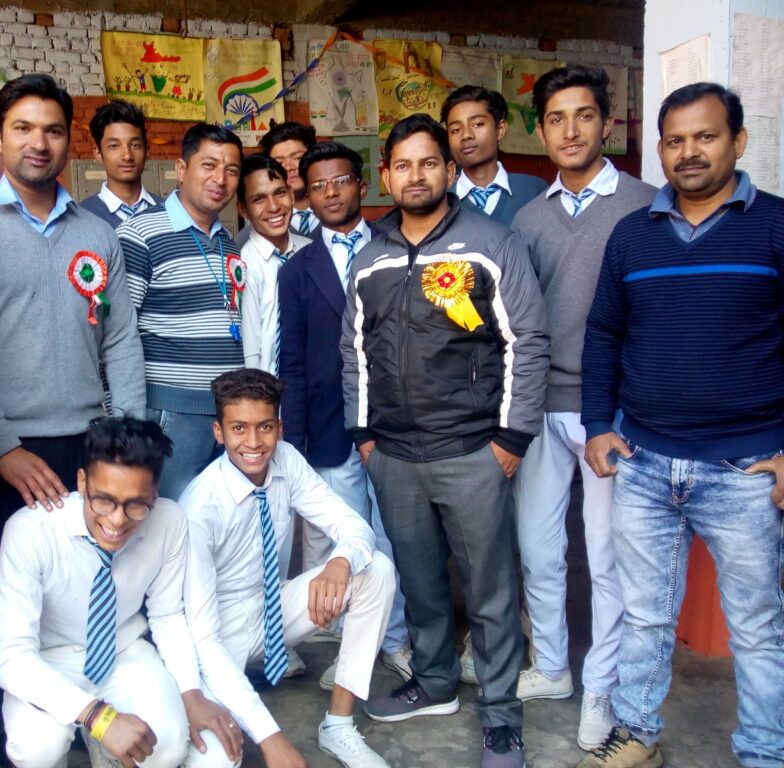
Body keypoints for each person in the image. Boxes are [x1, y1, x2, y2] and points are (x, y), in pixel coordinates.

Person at [0, 73, 146, 767]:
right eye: (22, 127)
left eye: (52, 129)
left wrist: (130, 443)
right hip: (0, 455)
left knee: (84, 591)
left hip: (87, 445)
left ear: (68, 142)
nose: (38, 142)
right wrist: (3, 447)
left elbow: (121, 340)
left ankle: (80, 723)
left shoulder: (97, 234)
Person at [578, 83, 784, 768]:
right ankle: (637, 733)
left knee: (756, 627)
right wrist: (597, 425)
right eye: (675, 141)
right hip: (643, 462)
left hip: (745, 469)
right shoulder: (633, 234)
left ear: (738, 141)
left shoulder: (776, 226)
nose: (689, 152)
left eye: (706, 136)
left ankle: (765, 751)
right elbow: (604, 332)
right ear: (660, 150)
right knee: (645, 615)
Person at [342, 113, 549, 768]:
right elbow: (355, 353)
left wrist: (511, 438)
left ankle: (501, 715)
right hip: (394, 455)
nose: (416, 176)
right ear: (386, 175)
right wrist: (364, 436)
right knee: (422, 579)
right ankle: (434, 681)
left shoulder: (490, 242)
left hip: (471, 451)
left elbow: (526, 341)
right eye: (402, 165)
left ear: (450, 170)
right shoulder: (370, 257)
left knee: (490, 590)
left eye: (428, 162)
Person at [506, 64, 657, 751]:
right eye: (556, 119)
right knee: (539, 548)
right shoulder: (529, 218)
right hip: (541, 405)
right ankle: (553, 667)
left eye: (584, 115)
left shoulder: (644, 205)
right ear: (541, 132)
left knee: (606, 556)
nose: (570, 131)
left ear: (608, 124)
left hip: (612, 411)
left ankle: (603, 687)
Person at [0, 417, 242, 768]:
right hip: (48, 658)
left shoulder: (169, 521)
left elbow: (167, 616)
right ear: (82, 482)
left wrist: (191, 692)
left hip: (123, 651)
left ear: (154, 492)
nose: (117, 520)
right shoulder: (30, 532)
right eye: (104, 500)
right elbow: (10, 657)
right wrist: (99, 717)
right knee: (38, 749)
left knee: (165, 749)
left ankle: (106, 751)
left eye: (136, 504)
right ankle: (93, 732)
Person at [180, 368, 397, 768]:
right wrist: (271, 737)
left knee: (375, 569)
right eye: (239, 428)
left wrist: (340, 560)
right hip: (216, 634)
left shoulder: (287, 459)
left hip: (272, 610)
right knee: (218, 759)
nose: (253, 442)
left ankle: (338, 726)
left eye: (264, 427)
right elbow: (203, 638)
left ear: (279, 428)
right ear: (218, 432)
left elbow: (353, 526)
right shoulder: (200, 507)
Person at [279, 140, 413, 683]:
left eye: (340, 181)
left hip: (398, 424)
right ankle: (353, 648)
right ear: (306, 196)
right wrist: (297, 441)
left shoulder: (399, 244)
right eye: (318, 185)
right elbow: (292, 360)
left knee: (397, 537)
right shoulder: (297, 269)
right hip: (330, 430)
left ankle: (396, 641)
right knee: (350, 541)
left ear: (362, 184)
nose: (330, 193)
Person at [118, 123, 245, 499]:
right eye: (209, 165)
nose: (220, 179)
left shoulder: (227, 241)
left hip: (225, 413)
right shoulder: (140, 234)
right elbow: (118, 334)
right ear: (180, 168)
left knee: (212, 519)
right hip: (170, 414)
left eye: (231, 170)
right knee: (166, 517)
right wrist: (126, 418)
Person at [237, 154, 311, 374]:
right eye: (259, 199)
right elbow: (250, 346)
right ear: (243, 209)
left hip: (314, 381)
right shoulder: (243, 265)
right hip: (267, 383)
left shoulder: (311, 252)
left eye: (279, 193)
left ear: (291, 194)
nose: (273, 207)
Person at [441, 85, 547, 226]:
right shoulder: (440, 200)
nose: (466, 135)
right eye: (455, 130)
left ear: (500, 130)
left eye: (477, 124)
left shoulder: (533, 189)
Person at [80, 98, 164, 227]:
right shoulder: (82, 216)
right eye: (114, 146)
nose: (127, 156)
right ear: (98, 153)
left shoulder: (169, 212)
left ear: (146, 151)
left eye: (135, 145)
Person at [238, 122, 319, 244]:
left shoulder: (338, 216)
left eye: (297, 158)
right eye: (279, 162)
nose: (289, 167)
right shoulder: (245, 238)